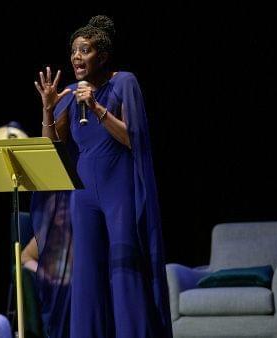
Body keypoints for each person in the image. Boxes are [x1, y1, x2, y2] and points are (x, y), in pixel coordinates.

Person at [32, 15, 172, 337]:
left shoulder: (124, 82)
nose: (76, 57)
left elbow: (133, 139)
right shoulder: (68, 92)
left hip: (119, 189)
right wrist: (48, 109)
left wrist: (95, 107)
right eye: (73, 51)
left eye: (85, 50)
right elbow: (51, 146)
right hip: (83, 196)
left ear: (103, 56)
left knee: (125, 271)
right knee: (87, 276)